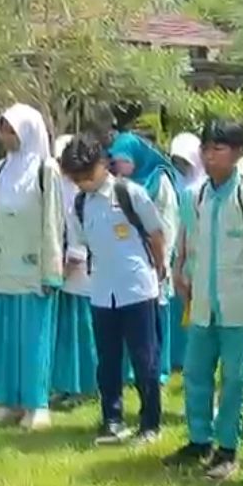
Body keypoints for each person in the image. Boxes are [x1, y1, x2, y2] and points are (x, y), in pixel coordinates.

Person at [164, 120, 243, 479]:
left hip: (237, 304)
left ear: (239, 153)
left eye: (219, 149)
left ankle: (227, 447)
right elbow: (187, 241)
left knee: (234, 378)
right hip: (202, 302)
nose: (210, 156)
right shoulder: (197, 196)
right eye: (206, 149)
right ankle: (199, 440)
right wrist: (181, 273)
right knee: (195, 372)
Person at [60, 134, 168, 444]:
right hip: (101, 291)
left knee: (145, 359)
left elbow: (155, 233)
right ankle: (112, 419)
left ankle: (150, 423)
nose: (84, 182)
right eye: (77, 179)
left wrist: (159, 269)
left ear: (102, 163)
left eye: (87, 174)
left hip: (137, 288)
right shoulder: (80, 204)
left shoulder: (128, 193)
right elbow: (79, 242)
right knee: (107, 361)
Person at [0, 103, 65, 430]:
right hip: (5, 266)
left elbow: (53, 222)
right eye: (2, 129)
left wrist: (51, 270)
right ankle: (8, 400)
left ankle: (36, 403)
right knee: (6, 338)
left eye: (11, 129)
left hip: (33, 267)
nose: (5, 136)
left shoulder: (47, 169)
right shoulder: (2, 170)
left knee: (34, 338)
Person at [109, 131, 180, 385]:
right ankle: (132, 369)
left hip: (157, 252)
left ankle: (159, 366)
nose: (120, 166)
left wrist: (163, 257)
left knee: (158, 312)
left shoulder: (158, 180)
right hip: (130, 257)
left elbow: (168, 221)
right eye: (116, 160)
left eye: (125, 160)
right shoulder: (117, 184)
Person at [51, 135, 99, 409]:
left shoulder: (83, 191)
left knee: (83, 331)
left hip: (81, 271)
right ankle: (66, 385)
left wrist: (73, 259)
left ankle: (86, 386)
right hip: (63, 269)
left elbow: (81, 230)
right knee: (66, 332)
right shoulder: (60, 185)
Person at [169, 133, 205, 372]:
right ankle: (175, 356)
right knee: (177, 307)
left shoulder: (205, 188)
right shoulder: (171, 182)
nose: (181, 166)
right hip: (176, 250)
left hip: (198, 255)